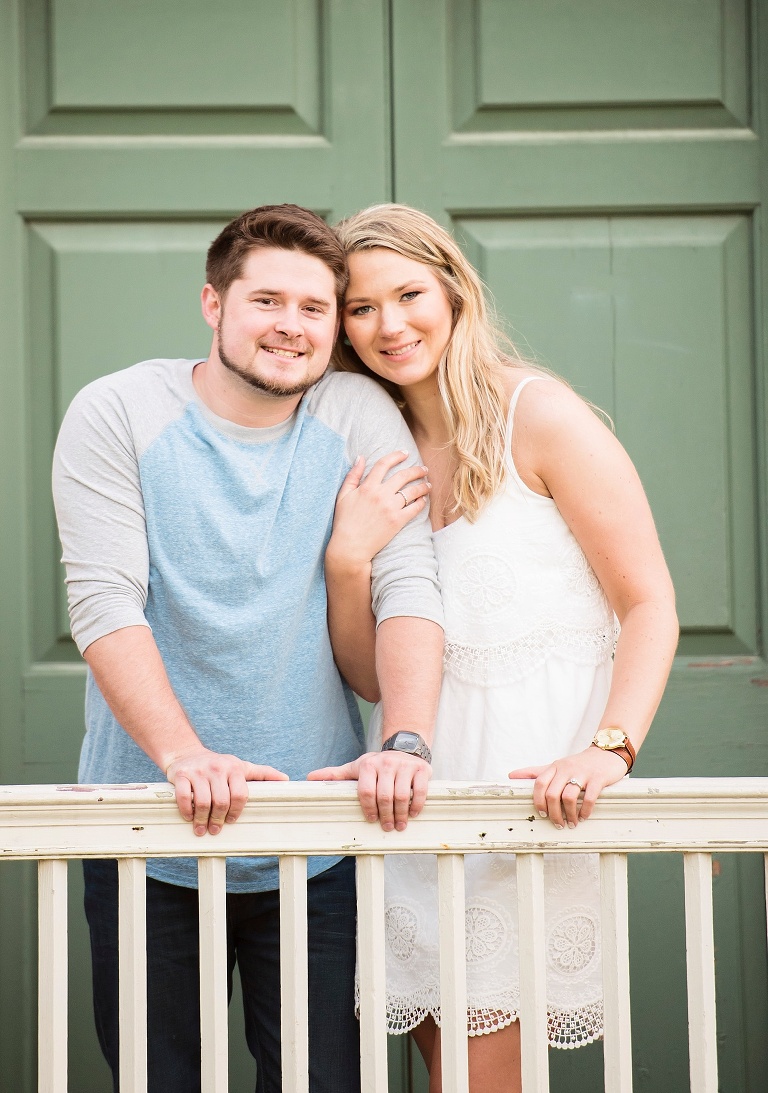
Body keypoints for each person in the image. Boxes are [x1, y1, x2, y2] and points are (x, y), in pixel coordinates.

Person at [52, 204, 444, 1093]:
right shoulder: (120, 410)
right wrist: (183, 754)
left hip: (320, 844)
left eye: (315, 308)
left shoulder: (354, 411)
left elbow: (409, 583)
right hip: (149, 836)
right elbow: (106, 600)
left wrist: (405, 738)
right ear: (212, 303)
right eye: (267, 299)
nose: (291, 327)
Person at [322, 204, 679, 1092]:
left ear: (453, 289)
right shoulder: (376, 450)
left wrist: (609, 747)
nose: (389, 325)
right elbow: (371, 673)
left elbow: (649, 601)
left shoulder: (540, 413)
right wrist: (346, 560)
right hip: (412, 805)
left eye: (408, 294)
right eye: (361, 308)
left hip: (529, 809)